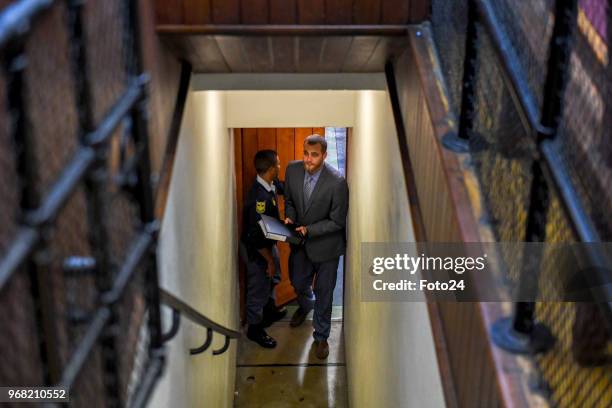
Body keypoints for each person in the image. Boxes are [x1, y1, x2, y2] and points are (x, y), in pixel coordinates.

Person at [284, 134, 349, 359]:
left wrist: (310, 230)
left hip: (327, 248)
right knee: (297, 281)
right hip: (300, 245)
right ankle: (305, 304)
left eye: (314, 155)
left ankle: (321, 337)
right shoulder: (292, 170)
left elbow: (337, 221)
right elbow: (290, 201)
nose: (308, 160)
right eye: (306, 154)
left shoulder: (337, 182)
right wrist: (290, 218)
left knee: (325, 293)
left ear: (324, 155)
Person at [240, 150, 287, 348]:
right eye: (277, 164)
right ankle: (255, 329)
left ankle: (270, 312)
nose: (280, 165)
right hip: (257, 251)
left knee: (274, 277)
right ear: (270, 169)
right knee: (257, 289)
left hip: (267, 243)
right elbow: (255, 238)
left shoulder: (269, 184)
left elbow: (281, 187)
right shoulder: (258, 200)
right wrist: (268, 261)